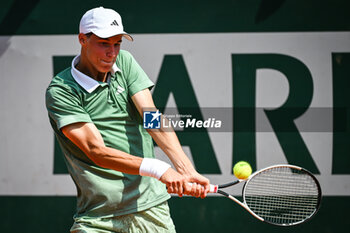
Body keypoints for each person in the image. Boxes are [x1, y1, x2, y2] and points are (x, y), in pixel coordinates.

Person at [45, 6, 210, 233]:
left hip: (151, 210)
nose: (111, 53)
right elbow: (96, 151)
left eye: (117, 43)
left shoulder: (124, 61)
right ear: (82, 39)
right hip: (99, 217)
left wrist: (185, 168)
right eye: (104, 43)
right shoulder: (62, 91)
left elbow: (151, 117)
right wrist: (160, 169)